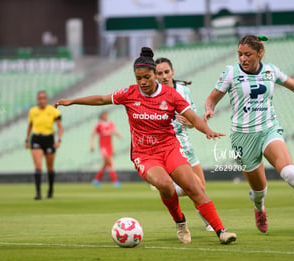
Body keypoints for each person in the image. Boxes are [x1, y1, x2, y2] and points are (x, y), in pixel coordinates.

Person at [55, 47, 237, 245]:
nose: (142, 82)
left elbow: (192, 118)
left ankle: (221, 231)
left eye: (147, 77)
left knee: (194, 186)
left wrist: (207, 130)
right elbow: (101, 99)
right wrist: (72, 101)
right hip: (145, 154)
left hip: (169, 148)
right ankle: (180, 222)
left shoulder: (171, 95)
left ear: (154, 75)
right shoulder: (129, 93)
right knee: (166, 185)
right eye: (138, 78)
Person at [204, 35, 294, 234]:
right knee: (259, 190)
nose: (243, 58)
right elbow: (211, 98)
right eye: (240, 54)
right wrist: (209, 109)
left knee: (290, 173)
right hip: (243, 137)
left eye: (248, 54)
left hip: (269, 129)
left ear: (260, 53)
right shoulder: (230, 73)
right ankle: (259, 208)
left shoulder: (271, 71)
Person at [155, 57, 212, 232]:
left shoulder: (183, 91)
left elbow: (192, 117)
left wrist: (190, 123)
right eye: (159, 73)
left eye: (166, 72)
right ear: (155, 76)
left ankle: (170, 190)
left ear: (173, 72)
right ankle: (209, 222)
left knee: (200, 187)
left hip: (186, 145)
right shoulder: (154, 94)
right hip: (169, 146)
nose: (164, 76)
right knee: (195, 186)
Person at [25, 91, 63, 200]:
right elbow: (30, 126)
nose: (42, 100)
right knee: (38, 165)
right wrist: (27, 140)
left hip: (49, 139)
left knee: (50, 167)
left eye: (44, 98)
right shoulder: (32, 111)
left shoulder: (53, 111)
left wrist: (59, 140)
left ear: (46, 99)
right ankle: (38, 193)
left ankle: (50, 190)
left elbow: (60, 127)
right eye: (40, 98)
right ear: (37, 100)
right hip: (36, 138)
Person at [90, 111, 122, 188]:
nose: (106, 116)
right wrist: (92, 145)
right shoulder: (99, 125)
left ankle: (96, 180)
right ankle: (115, 181)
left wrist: (119, 136)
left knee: (106, 164)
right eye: (104, 115)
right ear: (101, 116)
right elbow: (92, 135)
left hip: (110, 146)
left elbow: (115, 131)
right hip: (103, 147)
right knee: (109, 162)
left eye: (106, 115)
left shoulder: (111, 124)